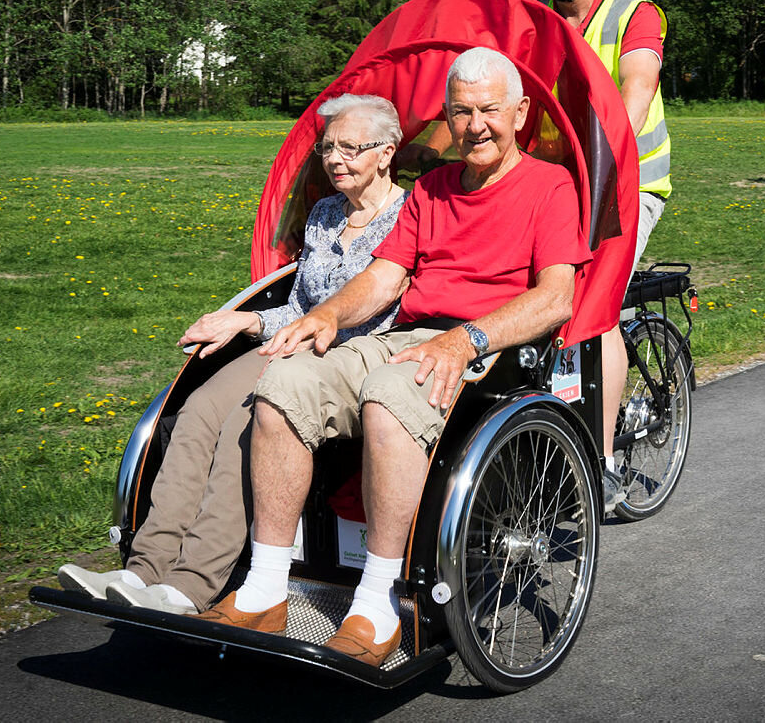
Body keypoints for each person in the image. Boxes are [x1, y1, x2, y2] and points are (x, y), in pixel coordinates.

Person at [197, 47, 590, 668]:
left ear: (520, 113)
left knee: (389, 397)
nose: (475, 125)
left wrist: (467, 340)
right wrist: (324, 314)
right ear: (446, 119)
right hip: (407, 335)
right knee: (285, 382)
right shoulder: (430, 189)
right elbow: (384, 277)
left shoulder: (550, 185)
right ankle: (267, 587)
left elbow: (555, 298)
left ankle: (378, 600)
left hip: (487, 345)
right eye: (460, 112)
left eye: (490, 109)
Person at [56, 94, 408, 615]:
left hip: (348, 357)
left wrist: (308, 330)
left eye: (351, 148)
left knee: (242, 428)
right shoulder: (325, 213)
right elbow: (299, 304)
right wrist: (248, 320)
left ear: (386, 152)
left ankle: (191, 584)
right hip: (292, 342)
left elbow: (384, 308)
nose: (335, 159)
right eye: (327, 147)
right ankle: (143, 570)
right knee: (196, 412)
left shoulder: (409, 216)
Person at [513, 0, 672, 514]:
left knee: (593, 302)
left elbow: (635, 89)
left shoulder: (636, 14)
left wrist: (603, 160)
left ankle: (600, 465)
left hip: (629, 184)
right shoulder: (538, 23)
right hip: (561, 186)